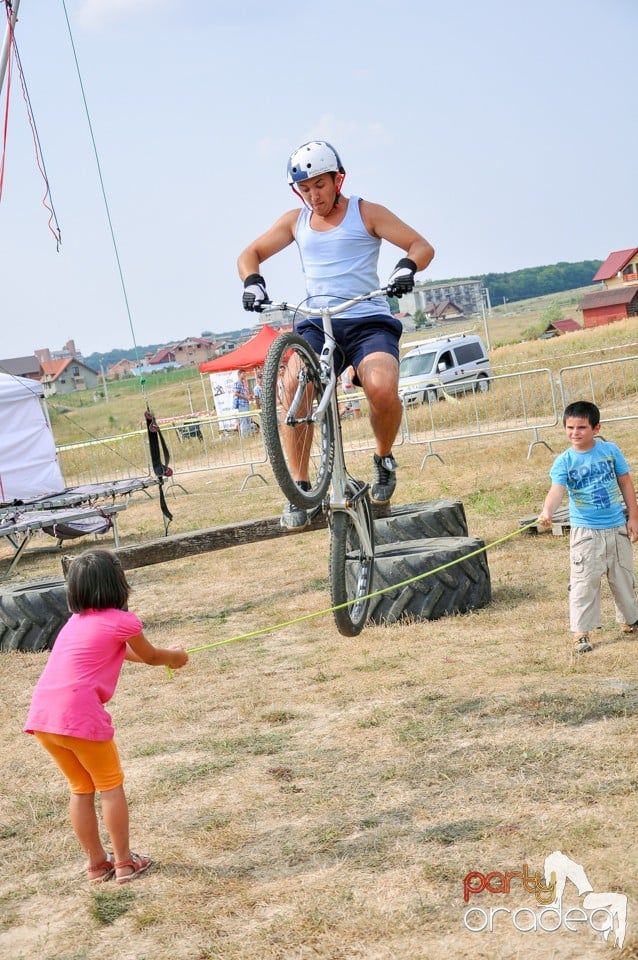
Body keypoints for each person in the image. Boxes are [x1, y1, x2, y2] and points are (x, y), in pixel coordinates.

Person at [237, 139, 434, 529]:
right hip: (316, 319)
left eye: (320, 186)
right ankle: (301, 487)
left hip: (366, 319)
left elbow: (421, 245)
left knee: (381, 388)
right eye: (305, 189)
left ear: (338, 179)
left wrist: (405, 268)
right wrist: (253, 282)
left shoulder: (366, 212)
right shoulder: (295, 221)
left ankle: (382, 458)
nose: (314, 196)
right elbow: (249, 254)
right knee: (294, 387)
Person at [23, 549, 189, 884]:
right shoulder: (124, 621)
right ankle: (126, 863)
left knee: (80, 788)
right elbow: (153, 655)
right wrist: (175, 657)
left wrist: (159, 658)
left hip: (43, 718)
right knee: (110, 787)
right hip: (80, 719)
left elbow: (126, 653)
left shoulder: (74, 623)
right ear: (118, 583)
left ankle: (97, 865)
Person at [539, 400, 638, 654]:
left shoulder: (610, 451)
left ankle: (630, 621)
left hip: (616, 528)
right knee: (584, 582)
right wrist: (547, 511)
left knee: (624, 577)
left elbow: (626, 484)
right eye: (570, 428)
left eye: (581, 427)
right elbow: (556, 490)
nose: (575, 433)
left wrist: (633, 518)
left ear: (596, 428)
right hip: (586, 533)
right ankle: (581, 632)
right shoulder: (564, 461)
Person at [233, 369, 253, 436]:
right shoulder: (237, 383)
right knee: (243, 420)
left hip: (246, 403)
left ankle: (248, 434)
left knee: (248, 419)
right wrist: (245, 397)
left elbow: (246, 393)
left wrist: (249, 396)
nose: (245, 375)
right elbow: (235, 393)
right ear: (239, 374)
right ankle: (244, 435)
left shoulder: (244, 383)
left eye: (245, 374)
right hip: (241, 404)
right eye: (243, 374)